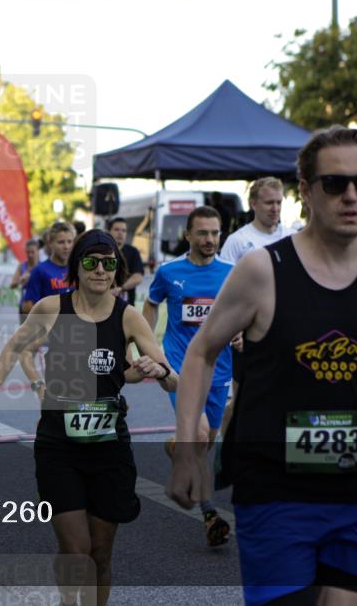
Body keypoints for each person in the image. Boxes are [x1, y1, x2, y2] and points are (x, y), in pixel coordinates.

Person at [169, 126, 357, 606]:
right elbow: (202, 351)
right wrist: (189, 451)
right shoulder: (261, 270)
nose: (351, 195)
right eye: (335, 184)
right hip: (276, 488)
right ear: (307, 191)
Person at [0, 229, 178, 606]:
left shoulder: (128, 316)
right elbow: (13, 349)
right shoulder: (53, 308)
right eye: (91, 261)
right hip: (59, 445)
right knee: (76, 548)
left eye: (108, 262)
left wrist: (160, 370)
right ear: (77, 267)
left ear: (117, 269)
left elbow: (172, 379)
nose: (100, 269)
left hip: (109, 447)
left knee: (100, 553)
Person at [143, 205, 234, 546]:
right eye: (203, 233)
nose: (210, 239)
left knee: (205, 441)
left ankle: (174, 447)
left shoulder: (231, 273)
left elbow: (243, 312)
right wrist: (147, 344)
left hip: (220, 371)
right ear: (188, 235)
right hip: (180, 369)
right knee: (198, 435)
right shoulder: (169, 272)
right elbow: (151, 304)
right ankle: (210, 514)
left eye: (215, 233)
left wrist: (241, 333)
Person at [20, 222, 76, 393]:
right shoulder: (40, 271)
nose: (66, 246)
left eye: (69, 241)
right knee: (53, 391)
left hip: (75, 336)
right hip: (48, 340)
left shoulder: (78, 268)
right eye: (61, 242)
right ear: (50, 243)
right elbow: (28, 306)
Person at [219, 176, 294, 263]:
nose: (275, 208)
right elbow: (224, 272)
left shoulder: (292, 237)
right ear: (254, 204)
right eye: (269, 203)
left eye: (279, 202)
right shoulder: (236, 241)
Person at [106, 218, 144, 307]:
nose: (120, 233)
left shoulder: (133, 252)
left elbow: (138, 277)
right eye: (116, 229)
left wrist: (121, 288)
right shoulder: (103, 251)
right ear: (109, 231)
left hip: (126, 306)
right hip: (104, 304)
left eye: (123, 230)